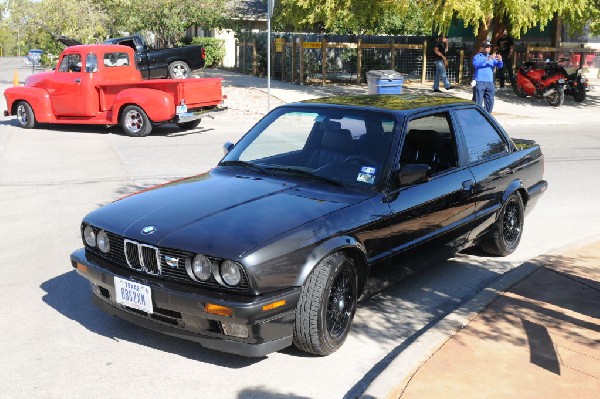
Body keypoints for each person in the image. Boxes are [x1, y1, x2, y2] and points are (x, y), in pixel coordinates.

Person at [473, 41, 503, 113]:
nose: (489, 48)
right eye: (487, 47)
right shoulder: (477, 57)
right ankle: (476, 116)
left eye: (489, 47)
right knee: (478, 101)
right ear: (482, 48)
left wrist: (500, 60)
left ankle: (487, 116)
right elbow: (476, 64)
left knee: (490, 102)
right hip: (479, 82)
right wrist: (487, 59)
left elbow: (500, 65)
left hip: (490, 82)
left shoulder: (492, 57)